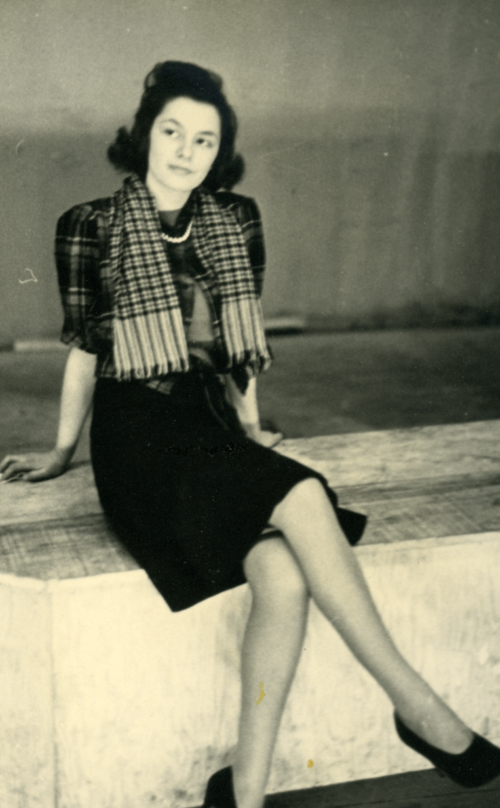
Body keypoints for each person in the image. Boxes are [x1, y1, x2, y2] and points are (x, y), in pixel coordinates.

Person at [1, 61, 499, 808]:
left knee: (285, 572)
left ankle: (247, 792)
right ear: (144, 136)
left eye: (204, 140)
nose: (184, 149)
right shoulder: (89, 223)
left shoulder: (237, 221)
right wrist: (61, 451)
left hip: (205, 423)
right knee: (300, 492)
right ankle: (423, 711)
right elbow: (82, 347)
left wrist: (250, 428)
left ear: (218, 153)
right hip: (136, 430)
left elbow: (242, 340)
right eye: (171, 131)